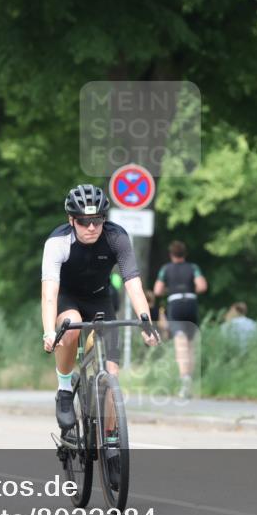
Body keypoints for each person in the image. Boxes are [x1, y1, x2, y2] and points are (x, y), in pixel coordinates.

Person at [42, 183, 160, 439]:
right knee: (71, 327)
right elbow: (49, 293)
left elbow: (133, 284)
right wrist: (49, 331)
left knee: (112, 373)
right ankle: (65, 390)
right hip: (67, 297)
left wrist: (146, 324)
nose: (92, 227)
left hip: (99, 299)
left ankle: (110, 440)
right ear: (71, 220)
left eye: (97, 220)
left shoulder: (116, 237)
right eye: (84, 221)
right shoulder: (57, 242)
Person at [153, 240, 207, 398]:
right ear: (185, 254)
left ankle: (185, 381)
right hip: (191, 303)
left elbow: (157, 290)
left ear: (171, 254)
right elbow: (202, 286)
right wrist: (190, 289)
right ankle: (189, 378)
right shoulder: (193, 267)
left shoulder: (166, 269)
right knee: (190, 345)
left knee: (180, 343)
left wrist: (170, 289)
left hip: (175, 304)